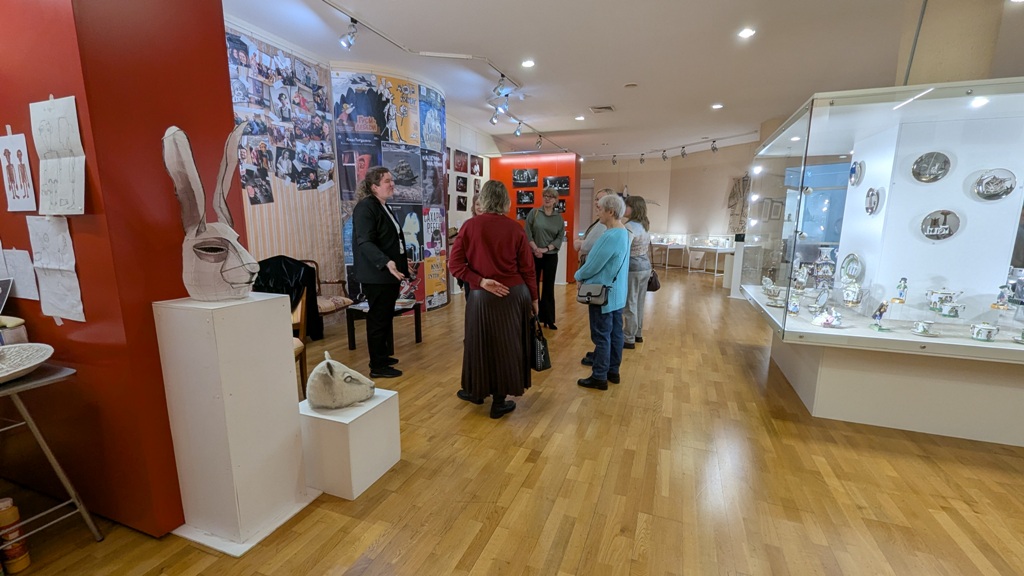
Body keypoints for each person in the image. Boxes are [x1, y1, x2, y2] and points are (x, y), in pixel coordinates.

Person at [449, 180, 539, 419]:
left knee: (478, 343)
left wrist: (480, 281)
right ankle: (499, 402)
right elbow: (528, 269)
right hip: (513, 295)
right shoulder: (516, 229)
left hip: (482, 298)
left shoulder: (470, 226)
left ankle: (476, 391)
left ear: (484, 199)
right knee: (507, 346)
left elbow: (455, 265)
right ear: (505, 201)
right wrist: (534, 299)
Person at [352, 167, 409, 378]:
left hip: (388, 273)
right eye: (387, 181)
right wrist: (386, 262)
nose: (392, 184)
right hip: (377, 274)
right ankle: (377, 366)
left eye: (392, 180)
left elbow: (391, 240)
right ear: (374, 186)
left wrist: (402, 262)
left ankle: (383, 356)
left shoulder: (382, 206)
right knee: (378, 319)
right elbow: (365, 241)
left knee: (384, 317)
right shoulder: (365, 208)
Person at [575, 194, 630, 391]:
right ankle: (612, 371)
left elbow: (594, 264)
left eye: (600, 208)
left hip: (603, 294)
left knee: (601, 336)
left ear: (611, 212)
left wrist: (578, 275)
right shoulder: (624, 232)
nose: (597, 212)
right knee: (615, 333)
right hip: (616, 293)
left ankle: (599, 376)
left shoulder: (610, 235)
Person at [525, 187, 566, 330]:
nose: (547, 199)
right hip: (534, 254)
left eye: (550, 196)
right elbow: (527, 232)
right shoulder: (534, 213)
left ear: (555, 200)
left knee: (548, 287)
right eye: (545, 196)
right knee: (533, 285)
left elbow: (559, 237)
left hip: (550, 256)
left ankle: (548, 319)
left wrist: (546, 249)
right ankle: (532, 317)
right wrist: (535, 248)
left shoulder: (558, 218)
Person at [622, 195, 652, 348]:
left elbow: (624, 248)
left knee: (630, 303)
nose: (624, 208)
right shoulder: (644, 224)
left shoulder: (629, 226)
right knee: (639, 302)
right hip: (645, 266)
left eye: (626, 206)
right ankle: (637, 333)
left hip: (633, 268)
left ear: (634, 208)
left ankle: (628, 337)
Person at [575, 188, 615, 264]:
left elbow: (587, 246)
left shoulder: (604, 223)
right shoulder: (599, 221)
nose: (597, 203)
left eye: (602, 199)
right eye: (596, 199)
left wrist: (581, 243)